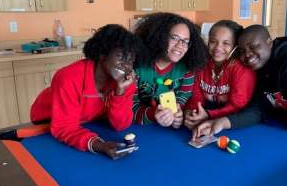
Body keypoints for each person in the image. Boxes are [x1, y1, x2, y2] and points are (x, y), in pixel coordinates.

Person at [30, 24, 141, 158]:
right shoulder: (68, 78)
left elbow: (120, 125)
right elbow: (64, 127)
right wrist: (99, 145)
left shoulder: (125, 82)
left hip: (87, 121)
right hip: (48, 121)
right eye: (121, 57)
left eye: (131, 60)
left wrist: (120, 93)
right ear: (102, 54)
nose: (127, 66)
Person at [133, 12, 207, 128]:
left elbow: (183, 98)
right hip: (140, 130)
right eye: (174, 38)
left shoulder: (187, 69)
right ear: (159, 37)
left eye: (186, 41)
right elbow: (129, 109)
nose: (180, 45)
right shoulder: (136, 68)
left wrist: (178, 115)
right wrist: (154, 114)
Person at [184, 20, 256, 129]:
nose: (218, 47)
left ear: (236, 46)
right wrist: (193, 114)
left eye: (226, 43)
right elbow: (195, 97)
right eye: (213, 41)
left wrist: (208, 115)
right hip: (204, 120)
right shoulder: (201, 62)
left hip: (233, 123)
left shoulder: (242, 69)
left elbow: (238, 105)